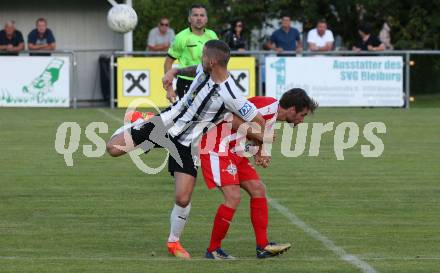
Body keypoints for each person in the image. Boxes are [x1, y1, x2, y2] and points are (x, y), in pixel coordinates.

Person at [106, 40, 268, 259]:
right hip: (164, 123)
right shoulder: (204, 69)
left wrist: (262, 142)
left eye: (203, 55)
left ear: (212, 61)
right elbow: (192, 69)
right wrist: (175, 71)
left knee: (183, 198)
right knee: (113, 149)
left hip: (186, 144)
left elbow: (258, 120)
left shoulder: (232, 95)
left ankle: (173, 242)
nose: (200, 59)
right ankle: (139, 122)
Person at [200, 89, 318, 259]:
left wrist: (258, 152)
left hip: (235, 150)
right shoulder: (266, 107)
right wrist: (262, 137)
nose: (302, 120)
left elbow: (254, 135)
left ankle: (263, 246)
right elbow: (229, 118)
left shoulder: (273, 116)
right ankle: (213, 249)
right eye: (303, 114)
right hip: (217, 146)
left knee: (258, 189)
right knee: (233, 197)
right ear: (292, 109)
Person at [164, 4, 218, 102]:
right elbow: (168, 62)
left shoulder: (212, 35)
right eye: (195, 15)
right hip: (186, 82)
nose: (199, 18)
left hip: (208, 81)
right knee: (189, 116)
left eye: (202, 15)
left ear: (206, 19)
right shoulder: (181, 37)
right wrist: (169, 88)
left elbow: (218, 61)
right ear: (189, 19)